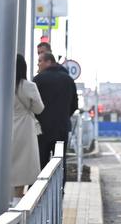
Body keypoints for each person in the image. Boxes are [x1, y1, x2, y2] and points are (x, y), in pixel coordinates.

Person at [33, 50, 79, 169]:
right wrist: (63, 116)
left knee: (41, 163)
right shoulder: (68, 80)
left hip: (42, 130)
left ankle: (41, 187)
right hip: (61, 128)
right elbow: (74, 104)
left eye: (40, 61)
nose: (38, 64)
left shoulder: (38, 79)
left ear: (49, 62)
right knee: (59, 163)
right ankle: (60, 187)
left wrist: (40, 118)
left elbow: (32, 105)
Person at [11, 54, 45, 197]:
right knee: (23, 165)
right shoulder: (29, 86)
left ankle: (4, 200)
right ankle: (18, 198)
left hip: (6, 127)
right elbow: (39, 109)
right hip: (25, 127)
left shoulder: (1, 85)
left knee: (8, 163)